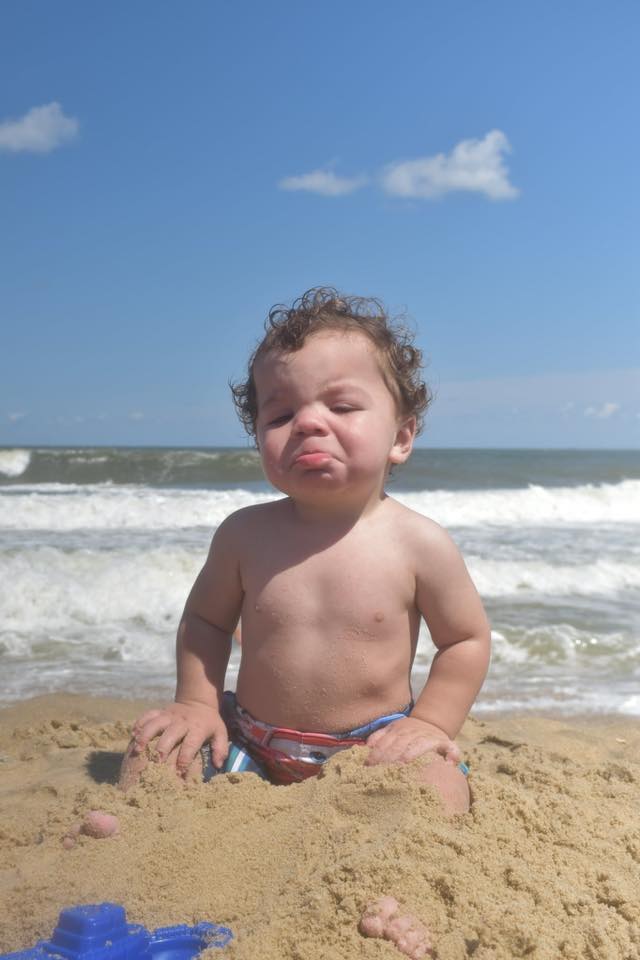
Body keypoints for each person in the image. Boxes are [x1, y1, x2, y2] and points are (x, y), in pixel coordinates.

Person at [116, 288, 491, 957]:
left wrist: (429, 725)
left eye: (342, 406)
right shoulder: (242, 536)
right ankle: (138, 843)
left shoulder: (419, 544)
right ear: (258, 434)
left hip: (372, 752)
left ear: (402, 434)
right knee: (156, 747)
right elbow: (205, 622)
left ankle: (396, 889)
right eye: (280, 412)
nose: (309, 424)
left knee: (438, 783)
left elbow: (465, 640)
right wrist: (197, 704)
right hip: (253, 744)